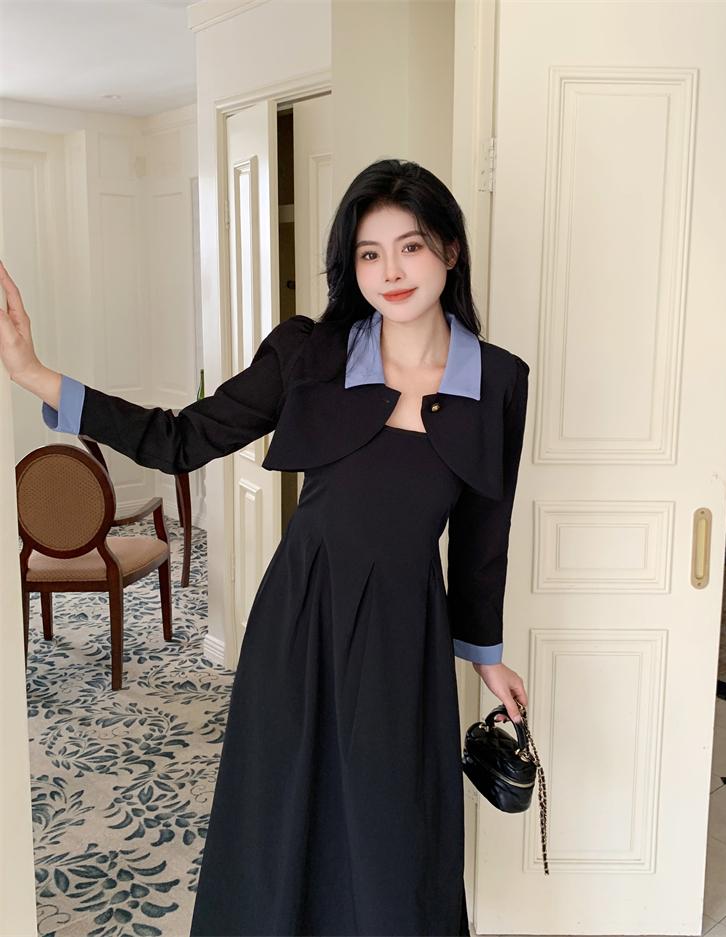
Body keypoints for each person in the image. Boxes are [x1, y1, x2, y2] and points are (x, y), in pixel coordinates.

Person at [0, 158, 530, 937]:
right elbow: (178, 439)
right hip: (301, 619)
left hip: (402, 635)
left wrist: (486, 656)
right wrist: (35, 374)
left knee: (393, 832)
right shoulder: (310, 354)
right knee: (281, 822)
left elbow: (485, 530)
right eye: (369, 253)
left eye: (410, 246)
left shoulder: (499, 380)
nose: (390, 271)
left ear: (450, 250)